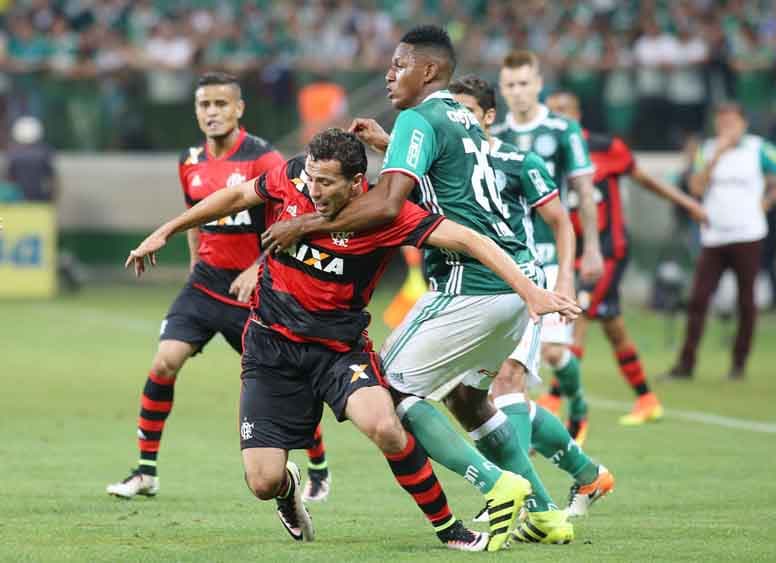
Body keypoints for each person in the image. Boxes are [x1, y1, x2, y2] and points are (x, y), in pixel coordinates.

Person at [126, 128, 577, 551]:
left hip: (340, 351)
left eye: (326, 183)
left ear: (357, 181)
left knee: (385, 425)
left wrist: (529, 290)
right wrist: (167, 230)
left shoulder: (388, 213)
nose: (314, 190)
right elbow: (239, 194)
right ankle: (288, 491)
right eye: (311, 179)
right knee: (262, 482)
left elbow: (470, 239)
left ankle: (450, 529)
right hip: (270, 347)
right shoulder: (293, 177)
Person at [261, 26, 582, 547]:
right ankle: (546, 514)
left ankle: (499, 485)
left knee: (387, 390)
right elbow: (450, 178)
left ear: (428, 71)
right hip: (513, 278)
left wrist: (304, 225)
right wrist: (389, 145)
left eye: (399, 65)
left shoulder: (418, 116)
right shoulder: (460, 116)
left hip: (469, 283)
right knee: (469, 401)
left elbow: (389, 204)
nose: (389, 75)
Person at [106, 72, 331, 502]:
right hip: (204, 283)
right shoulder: (189, 160)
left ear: (239, 108)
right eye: (204, 105)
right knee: (164, 362)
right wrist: (194, 265)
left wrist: (258, 266)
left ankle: (318, 466)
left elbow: (293, 220)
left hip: (254, 291)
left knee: (282, 381)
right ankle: (145, 471)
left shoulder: (264, 160)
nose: (212, 112)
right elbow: (195, 215)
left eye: (220, 104)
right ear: (195, 111)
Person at [448, 75, 615, 527]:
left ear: (487, 117)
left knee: (508, 380)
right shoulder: (447, 161)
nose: (455, 120)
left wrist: (566, 275)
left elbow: (563, 218)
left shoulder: (517, 160)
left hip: (518, 280)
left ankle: (516, 496)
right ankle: (586, 474)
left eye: (464, 111)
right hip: (466, 287)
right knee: (469, 394)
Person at [535, 91, 707, 425]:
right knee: (614, 328)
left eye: (564, 110)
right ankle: (646, 398)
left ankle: (555, 401)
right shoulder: (546, 156)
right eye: (553, 112)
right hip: (570, 254)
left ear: (578, 113)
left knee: (575, 316)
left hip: (607, 252)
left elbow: (645, 180)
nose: (559, 117)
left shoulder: (605, 147)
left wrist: (687, 203)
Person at [490, 50, 605, 435]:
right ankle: (522, 439)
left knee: (554, 352)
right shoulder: (497, 137)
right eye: (510, 85)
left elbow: (584, 192)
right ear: (502, 90)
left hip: (554, 256)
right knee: (509, 366)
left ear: (538, 84)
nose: (518, 92)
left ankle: (579, 404)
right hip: (510, 262)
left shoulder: (562, 130)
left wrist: (591, 247)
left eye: (524, 83)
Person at [663, 102, 776, 380]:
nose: (727, 127)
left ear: (744, 123)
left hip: (747, 233)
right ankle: (686, 363)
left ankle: (738, 364)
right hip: (714, 235)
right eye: (722, 122)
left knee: (746, 301)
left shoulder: (758, 149)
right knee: (699, 299)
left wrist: (769, 201)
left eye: (732, 121)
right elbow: (695, 187)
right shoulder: (707, 150)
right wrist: (717, 155)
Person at [6, 115, 56, 202]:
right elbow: (51, 180)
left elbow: (8, 180)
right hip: (40, 200)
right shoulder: (45, 153)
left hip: (18, 201)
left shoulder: (13, 153)